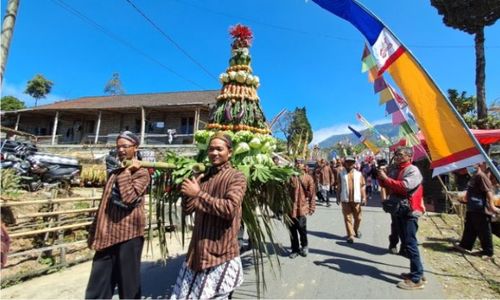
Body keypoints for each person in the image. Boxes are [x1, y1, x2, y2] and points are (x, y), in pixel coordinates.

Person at [170, 132, 247, 299]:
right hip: (197, 251)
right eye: (211, 149)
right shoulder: (204, 177)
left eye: (219, 149)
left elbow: (229, 209)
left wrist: (198, 194)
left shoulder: (237, 176)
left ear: (230, 152)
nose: (214, 153)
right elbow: (188, 210)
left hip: (220, 253)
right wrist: (189, 194)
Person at [85, 131, 151, 299]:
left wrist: (127, 172)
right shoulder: (114, 171)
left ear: (135, 148)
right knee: (98, 285)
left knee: (128, 285)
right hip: (106, 235)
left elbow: (129, 198)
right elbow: (104, 204)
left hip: (128, 236)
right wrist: (94, 230)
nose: (121, 150)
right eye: (118, 146)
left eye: (125, 146)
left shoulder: (142, 173)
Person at [378, 147, 425, 290]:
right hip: (400, 210)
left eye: (400, 155)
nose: (397, 157)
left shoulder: (413, 170)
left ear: (409, 157)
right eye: (396, 154)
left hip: (410, 211)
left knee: (410, 243)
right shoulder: (396, 169)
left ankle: (417, 278)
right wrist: (382, 176)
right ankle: (416, 272)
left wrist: (386, 178)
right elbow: (385, 184)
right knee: (406, 242)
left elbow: (404, 187)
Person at [454, 162, 500, 260]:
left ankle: (488, 252)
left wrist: (492, 206)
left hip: (480, 208)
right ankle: (465, 245)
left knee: (484, 230)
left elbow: (489, 192)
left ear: (480, 164)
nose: (471, 165)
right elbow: (471, 190)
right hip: (472, 206)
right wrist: (465, 198)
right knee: (470, 227)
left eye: (474, 163)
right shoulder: (474, 176)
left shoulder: (481, 176)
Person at [288, 158, 316, 259]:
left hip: (302, 207)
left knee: (301, 228)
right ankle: (295, 249)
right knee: (292, 230)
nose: (298, 164)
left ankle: (304, 246)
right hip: (290, 208)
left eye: (300, 163)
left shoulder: (308, 178)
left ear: (304, 165)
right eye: (296, 162)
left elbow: (312, 194)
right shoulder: (289, 176)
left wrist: (312, 206)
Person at [336, 157, 366, 243]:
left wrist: (364, 197)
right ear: (345, 163)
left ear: (354, 163)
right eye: (348, 162)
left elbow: (363, 186)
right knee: (347, 218)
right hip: (345, 199)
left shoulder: (359, 174)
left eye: (351, 162)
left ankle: (355, 230)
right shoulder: (341, 174)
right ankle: (350, 235)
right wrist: (338, 197)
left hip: (356, 200)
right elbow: (339, 186)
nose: (349, 164)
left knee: (358, 218)